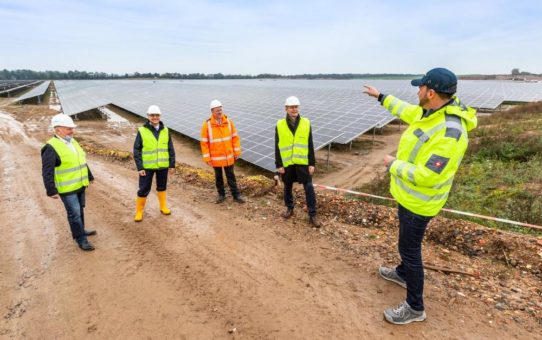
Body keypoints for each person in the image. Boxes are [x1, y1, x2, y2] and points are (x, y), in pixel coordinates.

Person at [363, 67, 477, 324]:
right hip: (408, 197)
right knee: (406, 245)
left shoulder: (450, 132)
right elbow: (406, 110)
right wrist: (381, 96)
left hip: (420, 204)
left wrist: (392, 164)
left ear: (432, 92)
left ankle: (415, 307)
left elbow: (429, 175)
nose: (417, 91)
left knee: (410, 250)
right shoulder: (433, 112)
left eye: (421, 87)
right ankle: (402, 273)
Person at [41, 113, 96, 251]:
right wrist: (51, 190)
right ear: (57, 129)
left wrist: (89, 176)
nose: (72, 131)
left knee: (80, 210)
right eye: (68, 128)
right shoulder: (51, 147)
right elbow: (47, 171)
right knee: (74, 213)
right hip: (67, 188)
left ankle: (81, 230)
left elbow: (80, 160)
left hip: (80, 184)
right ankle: (81, 239)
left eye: (72, 128)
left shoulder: (72, 141)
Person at [275, 96, 321, 228]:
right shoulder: (280, 124)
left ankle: (312, 214)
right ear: (286, 109)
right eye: (291, 107)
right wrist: (279, 165)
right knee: (287, 187)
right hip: (287, 163)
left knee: (309, 187)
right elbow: (277, 145)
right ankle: (289, 208)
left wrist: (312, 163)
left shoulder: (306, 122)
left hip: (303, 162)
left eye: (296, 106)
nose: (294, 109)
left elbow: (310, 143)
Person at [133, 105, 176, 221]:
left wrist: (172, 164)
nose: (155, 117)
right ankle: (139, 212)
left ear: (160, 116)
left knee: (162, 187)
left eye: (157, 115)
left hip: (162, 166)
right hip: (147, 167)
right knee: (143, 189)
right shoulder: (142, 131)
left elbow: (170, 148)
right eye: (152, 115)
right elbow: (136, 149)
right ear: (148, 117)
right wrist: (139, 167)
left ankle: (163, 207)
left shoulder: (166, 130)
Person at [200, 100, 245, 204]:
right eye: (217, 111)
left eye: (220, 110)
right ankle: (221, 195)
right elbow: (204, 143)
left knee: (231, 176)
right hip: (216, 158)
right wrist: (207, 158)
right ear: (212, 112)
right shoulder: (207, 125)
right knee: (218, 177)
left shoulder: (229, 122)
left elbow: (235, 138)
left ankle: (236, 195)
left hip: (228, 156)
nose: (220, 112)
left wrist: (237, 151)